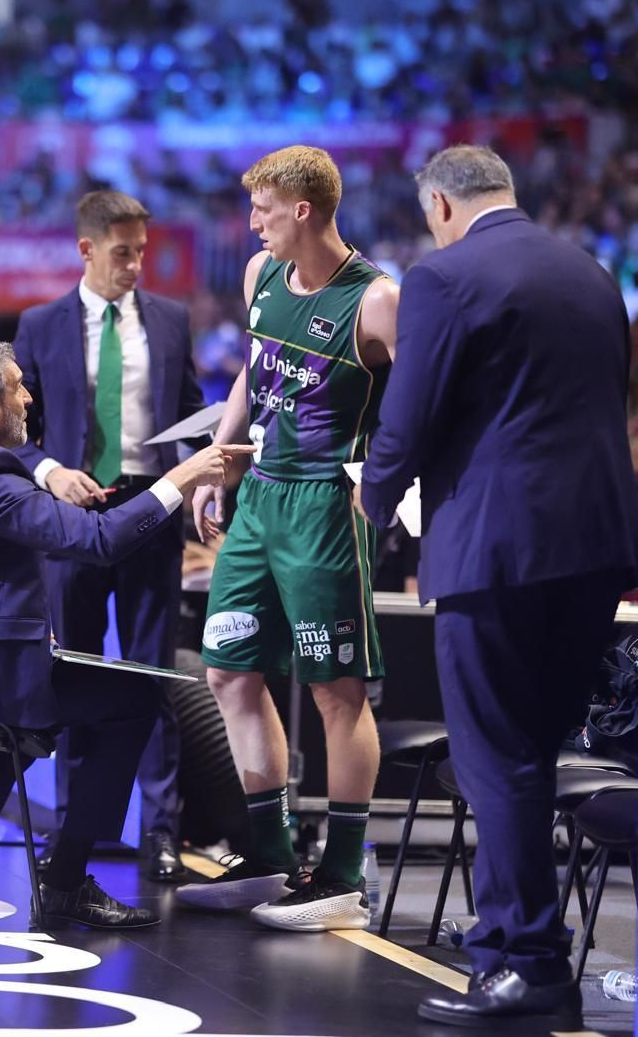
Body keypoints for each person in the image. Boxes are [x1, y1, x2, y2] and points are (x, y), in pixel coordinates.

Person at [359, 145, 638, 1027]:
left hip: (496, 551)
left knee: (498, 760)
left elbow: (408, 415)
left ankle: (524, 966)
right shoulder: (592, 273)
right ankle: (531, 955)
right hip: (595, 549)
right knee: (533, 754)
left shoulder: (442, 277)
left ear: (440, 206)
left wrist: (372, 498)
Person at [0, 343, 249, 928]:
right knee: (134, 699)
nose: (29, 399)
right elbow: (99, 541)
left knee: (39, 714)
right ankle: (67, 882)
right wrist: (179, 479)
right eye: (17, 388)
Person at [177, 146, 398, 933]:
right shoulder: (260, 276)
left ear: (303, 210)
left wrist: (387, 475)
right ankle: (270, 856)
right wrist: (217, 460)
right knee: (228, 669)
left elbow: (425, 396)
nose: (252, 224)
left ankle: (342, 875)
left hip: (326, 506)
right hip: (260, 496)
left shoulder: (378, 299)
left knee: (335, 690)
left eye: (263, 210)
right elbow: (253, 369)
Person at [11, 189, 206, 882]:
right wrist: (49, 471)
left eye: (141, 252)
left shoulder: (172, 320)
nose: (135, 265)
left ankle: (160, 831)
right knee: (74, 678)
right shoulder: (40, 325)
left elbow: (192, 415)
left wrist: (206, 472)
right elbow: (14, 432)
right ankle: (74, 832)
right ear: (87, 249)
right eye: (122, 253)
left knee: (153, 676)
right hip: (76, 516)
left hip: (152, 510)